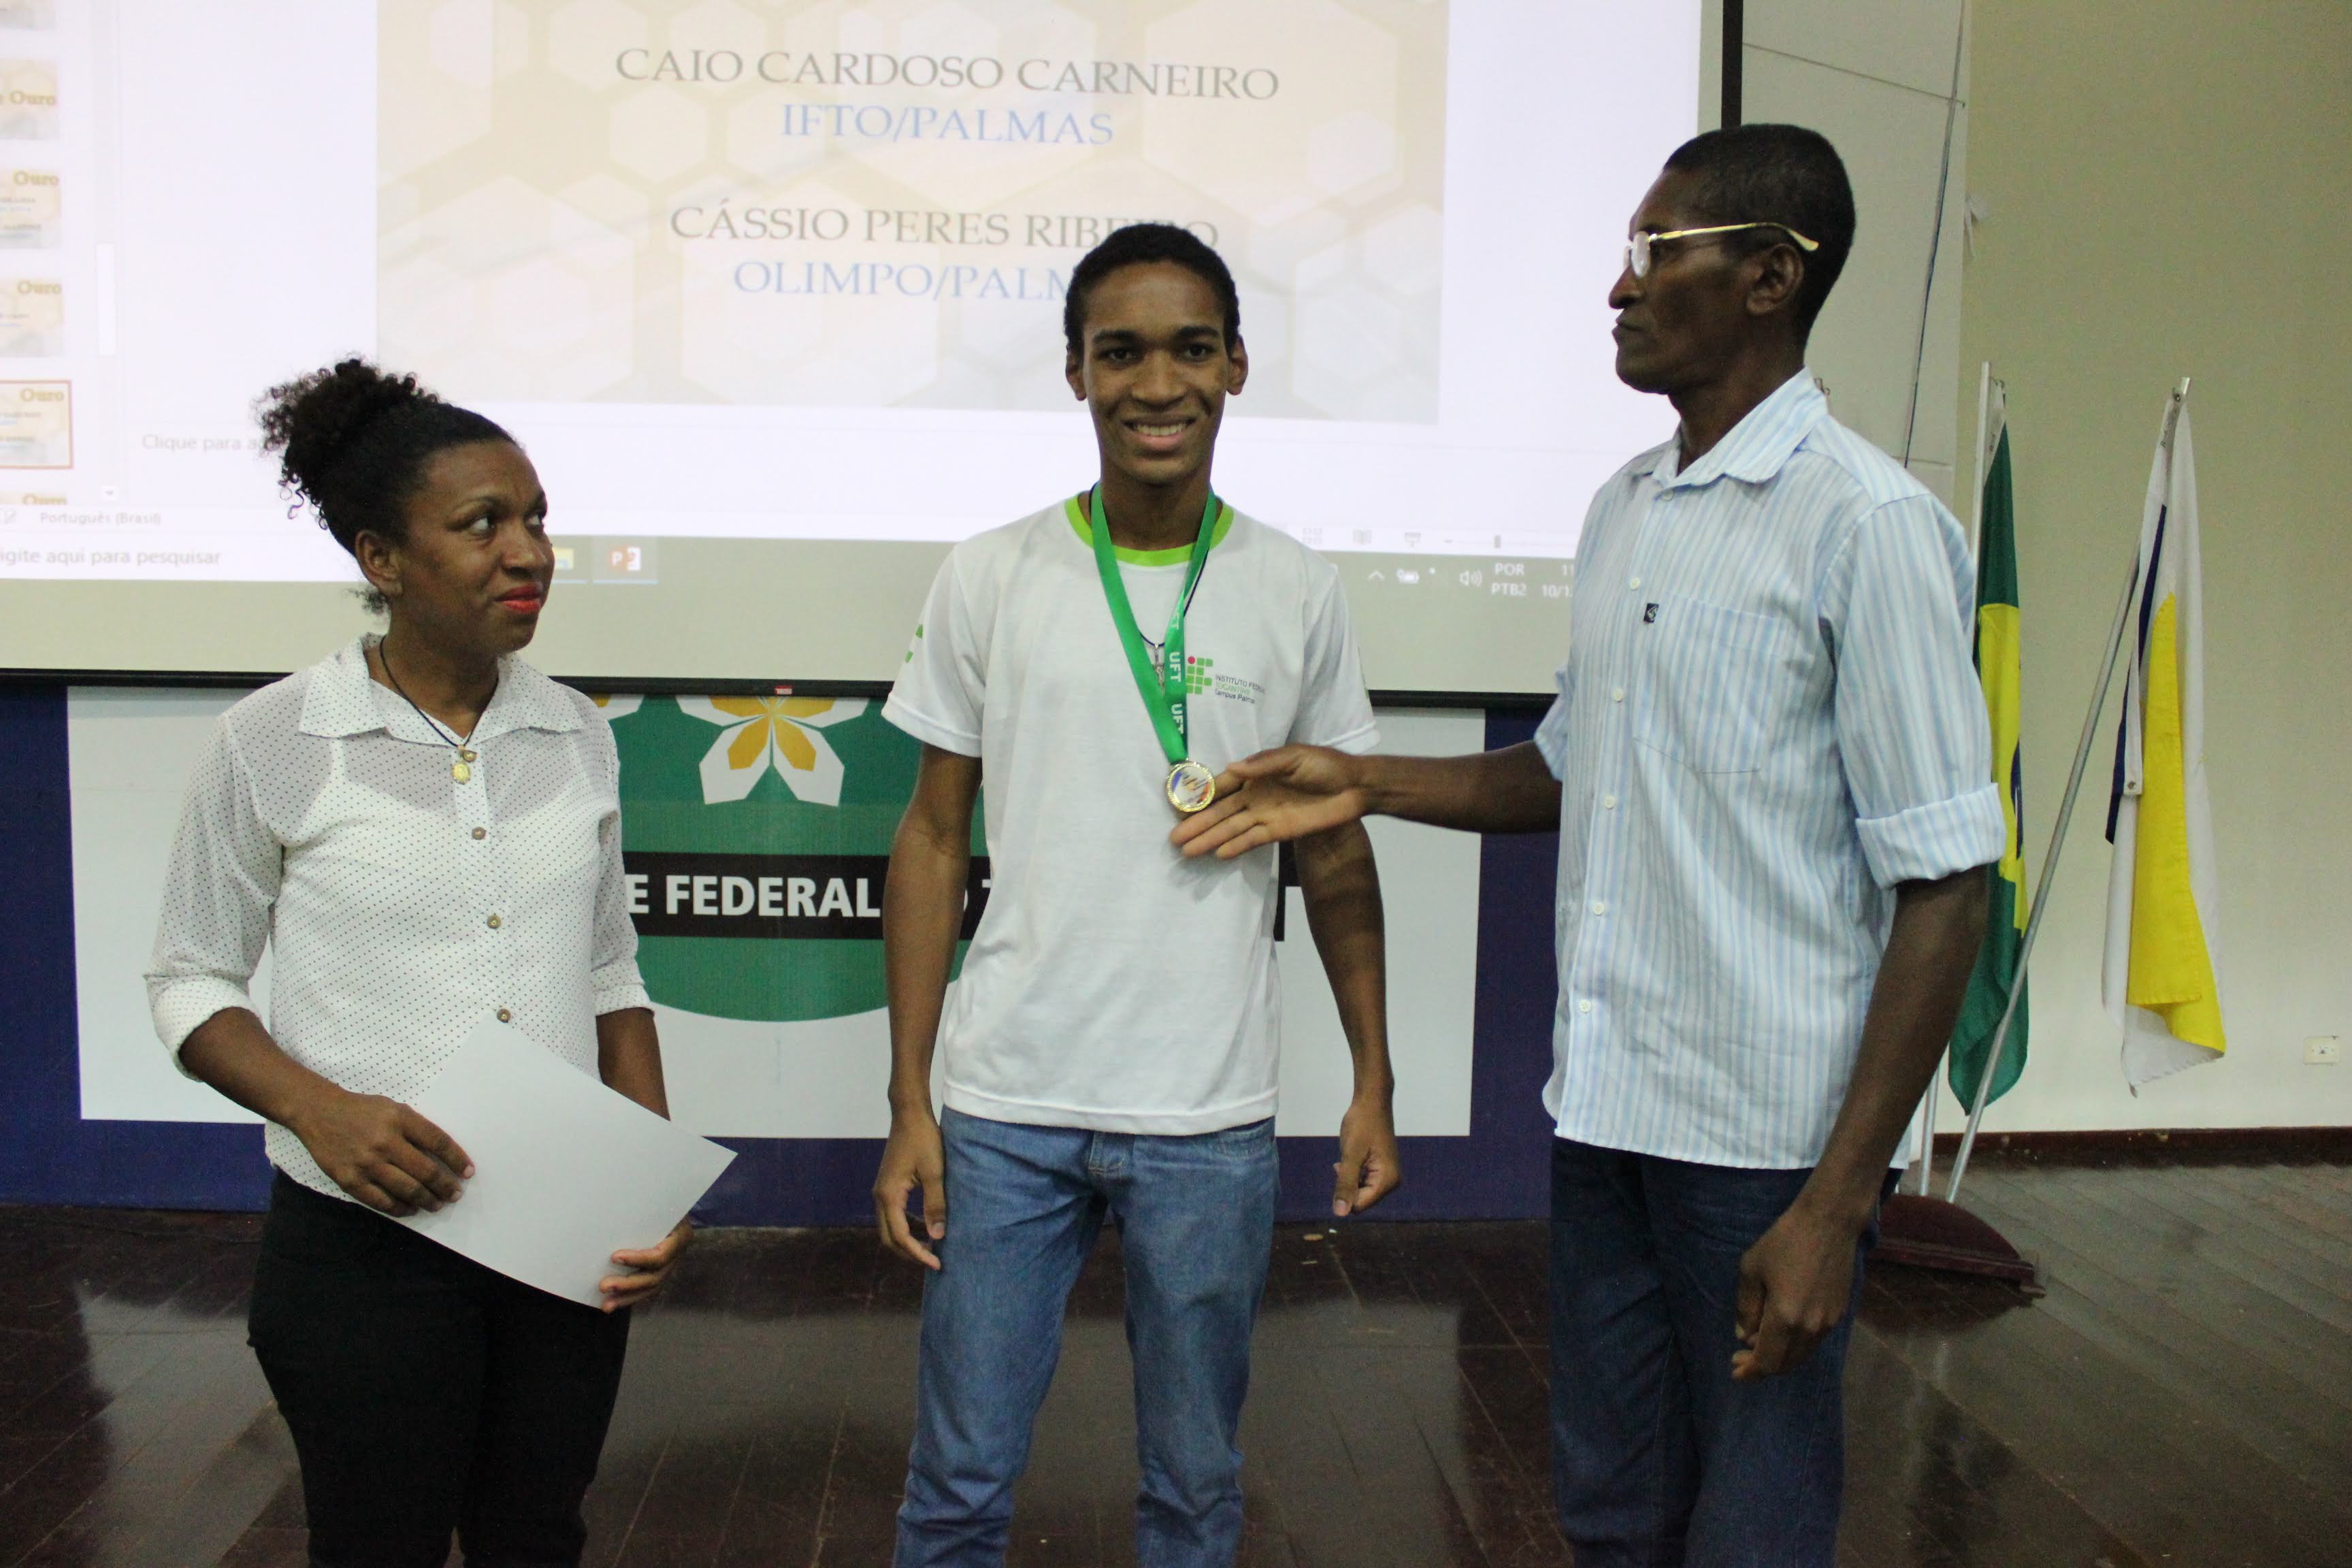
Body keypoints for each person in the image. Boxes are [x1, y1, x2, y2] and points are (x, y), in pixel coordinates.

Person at [1173, 125, 2003, 1567]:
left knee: (1754, 1521)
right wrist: (1354, 781)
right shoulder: (1627, 508)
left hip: (1769, 1145)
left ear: (1766, 277)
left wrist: (1842, 1198)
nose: (1617, 291)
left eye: (1651, 254)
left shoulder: (1868, 527)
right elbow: (1565, 770)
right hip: (1610, 1114)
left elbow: (1950, 884)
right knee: (1612, 1512)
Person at [873, 222, 1401, 1567]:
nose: (1154, 384)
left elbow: (1337, 851)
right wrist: (909, 1104)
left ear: (1235, 366)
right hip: (1006, 1106)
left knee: (1194, 1491)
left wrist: (1373, 1084)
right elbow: (933, 842)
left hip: (1207, 1114)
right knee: (957, 1488)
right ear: (1075, 374)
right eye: (1120, 353)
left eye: (1186, 349)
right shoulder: (992, 573)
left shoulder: (1296, 585)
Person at [146, 359, 688, 1567]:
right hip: (363, 1247)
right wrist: (321, 1111)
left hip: (560, 1231)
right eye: (483, 524)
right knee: (376, 1542)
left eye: (538, 518)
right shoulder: (277, 740)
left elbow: (611, 970)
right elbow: (189, 980)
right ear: (380, 559)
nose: (528, 551)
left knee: (535, 1536)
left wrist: (649, 1176)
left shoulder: (578, 734)